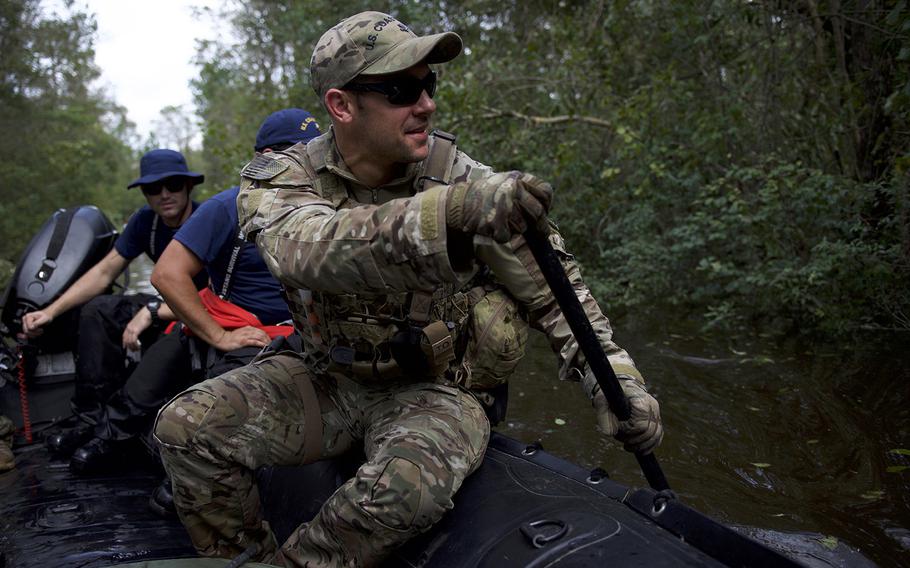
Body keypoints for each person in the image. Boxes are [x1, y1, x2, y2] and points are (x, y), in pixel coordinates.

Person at [155, 11, 663, 567]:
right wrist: (447, 218)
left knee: (405, 489)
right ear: (341, 106)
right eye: (401, 90)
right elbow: (309, 249)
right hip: (329, 379)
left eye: (429, 84)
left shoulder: (464, 179)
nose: (426, 104)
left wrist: (617, 383)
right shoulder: (282, 181)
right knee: (186, 427)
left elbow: (556, 295)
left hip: (434, 391)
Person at [69, 110, 321, 498]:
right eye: (298, 154)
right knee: (145, 384)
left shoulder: (329, 211)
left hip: (291, 333)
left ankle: (183, 479)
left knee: (223, 402)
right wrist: (218, 334)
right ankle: (109, 439)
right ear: (269, 156)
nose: (310, 164)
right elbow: (166, 276)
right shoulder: (226, 207)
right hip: (224, 322)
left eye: (316, 154)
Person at [21, 149, 206, 456]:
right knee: (98, 310)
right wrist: (49, 312)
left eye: (173, 185)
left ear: (187, 186)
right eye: (153, 189)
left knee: (168, 340)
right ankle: (91, 417)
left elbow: (217, 294)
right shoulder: (145, 222)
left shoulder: (205, 220)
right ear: (145, 194)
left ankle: (123, 428)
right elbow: (104, 271)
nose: (164, 195)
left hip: (203, 312)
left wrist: (151, 312)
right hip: (168, 306)